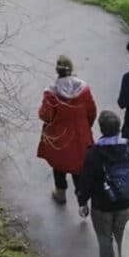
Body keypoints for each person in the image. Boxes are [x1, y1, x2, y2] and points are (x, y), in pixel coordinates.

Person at [75, 108, 129, 257]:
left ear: (101, 129)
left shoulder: (94, 153)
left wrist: (82, 202)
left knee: (105, 239)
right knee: (125, 239)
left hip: (102, 205)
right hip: (128, 203)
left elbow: (86, 181)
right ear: (119, 127)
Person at [35, 55, 97, 206]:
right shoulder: (84, 89)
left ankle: (60, 192)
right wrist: (86, 126)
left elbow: (46, 115)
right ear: (71, 69)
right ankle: (82, 201)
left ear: (57, 70)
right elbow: (92, 111)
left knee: (59, 164)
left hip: (59, 136)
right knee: (79, 166)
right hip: (79, 134)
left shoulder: (51, 93)